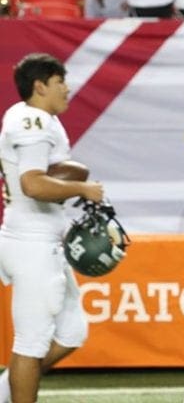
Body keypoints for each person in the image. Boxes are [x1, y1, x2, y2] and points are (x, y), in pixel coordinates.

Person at [0, 53, 104, 403]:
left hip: (39, 238)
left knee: (72, 332)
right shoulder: (32, 120)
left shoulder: (34, 118)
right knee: (31, 342)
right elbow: (33, 184)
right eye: (60, 82)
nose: (67, 89)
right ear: (40, 85)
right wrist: (82, 188)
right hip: (32, 244)